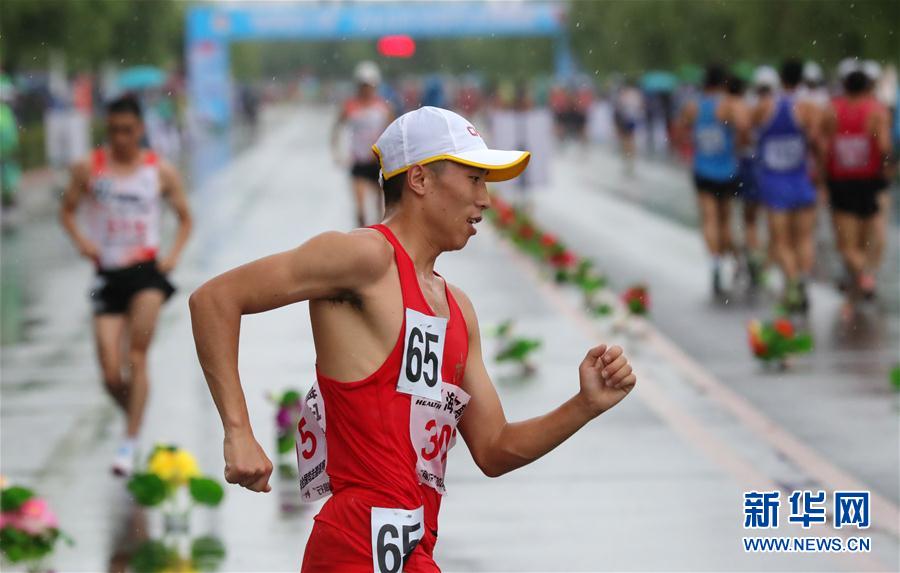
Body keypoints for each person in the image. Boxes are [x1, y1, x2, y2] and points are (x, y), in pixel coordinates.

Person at [189, 106, 637, 572]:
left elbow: (494, 448)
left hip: (412, 551)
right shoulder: (364, 257)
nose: (485, 200)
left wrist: (585, 405)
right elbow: (215, 300)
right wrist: (238, 432)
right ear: (419, 179)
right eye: (474, 179)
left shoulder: (458, 308)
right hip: (353, 546)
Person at [60, 94, 192, 475]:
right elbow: (66, 211)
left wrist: (173, 256)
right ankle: (135, 418)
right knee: (110, 373)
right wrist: (82, 242)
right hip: (107, 275)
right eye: (114, 130)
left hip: (146, 274)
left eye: (128, 130)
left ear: (141, 130)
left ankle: (129, 443)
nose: (120, 138)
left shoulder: (160, 171)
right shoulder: (89, 169)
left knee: (136, 355)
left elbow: (185, 218)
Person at [752, 60, 821, 313]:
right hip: (801, 180)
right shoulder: (809, 108)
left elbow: (748, 133)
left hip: (774, 182)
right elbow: (816, 143)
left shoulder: (764, 106)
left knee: (781, 241)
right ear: (801, 78)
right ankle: (801, 280)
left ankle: (792, 284)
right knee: (804, 238)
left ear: (780, 79)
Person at [677, 65, 750, 296]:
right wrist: (737, 144)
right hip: (727, 169)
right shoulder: (728, 105)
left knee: (709, 219)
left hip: (703, 168)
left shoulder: (693, 106)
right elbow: (744, 126)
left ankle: (716, 264)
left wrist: (693, 143)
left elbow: (679, 130)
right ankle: (736, 259)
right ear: (723, 82)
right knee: (726, 221)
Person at [822, 68, 892, 304]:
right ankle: (863, 279)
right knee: (864, 240)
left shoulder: (832, 110)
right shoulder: (876, 111)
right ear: (867, 87)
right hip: (868, 182)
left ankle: (862, 278)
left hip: (841, 182)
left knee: (846, 244)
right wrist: (885, 172)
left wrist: (822, 178)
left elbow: (823, 146)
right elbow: (884, 147)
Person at [332, 61, 393, 227]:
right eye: (363, 85)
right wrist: (337, 153)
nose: (366, 89)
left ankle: (378, 238)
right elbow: (336, 129)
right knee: (360, 212)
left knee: (381, 210)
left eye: (369, 85)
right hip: (359, 162)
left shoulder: (383, 107)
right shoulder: (350, 106)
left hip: (377, 162)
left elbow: (392, 133)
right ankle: (361, 236)